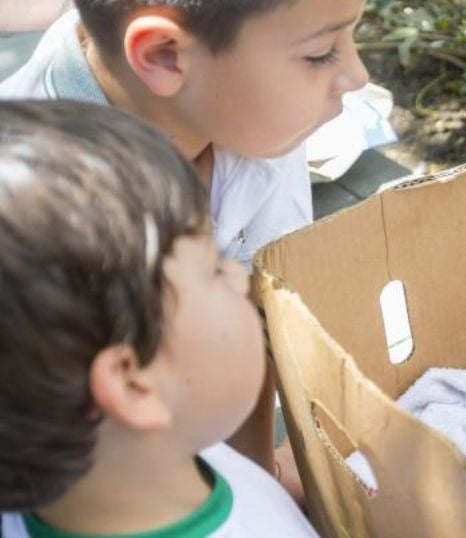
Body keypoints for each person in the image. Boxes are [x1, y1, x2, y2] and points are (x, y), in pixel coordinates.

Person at [0, 0, 371, 493]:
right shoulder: (36, 223)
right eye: (322, 52)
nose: (359, 74)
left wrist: (260, 476)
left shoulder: (239, 108)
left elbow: (260, 297)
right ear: (163, 56)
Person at [0, 99, 318, 537]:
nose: (235, 273)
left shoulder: (147, 456)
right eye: (213, 266)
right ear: (133, 384)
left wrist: (276, 479)